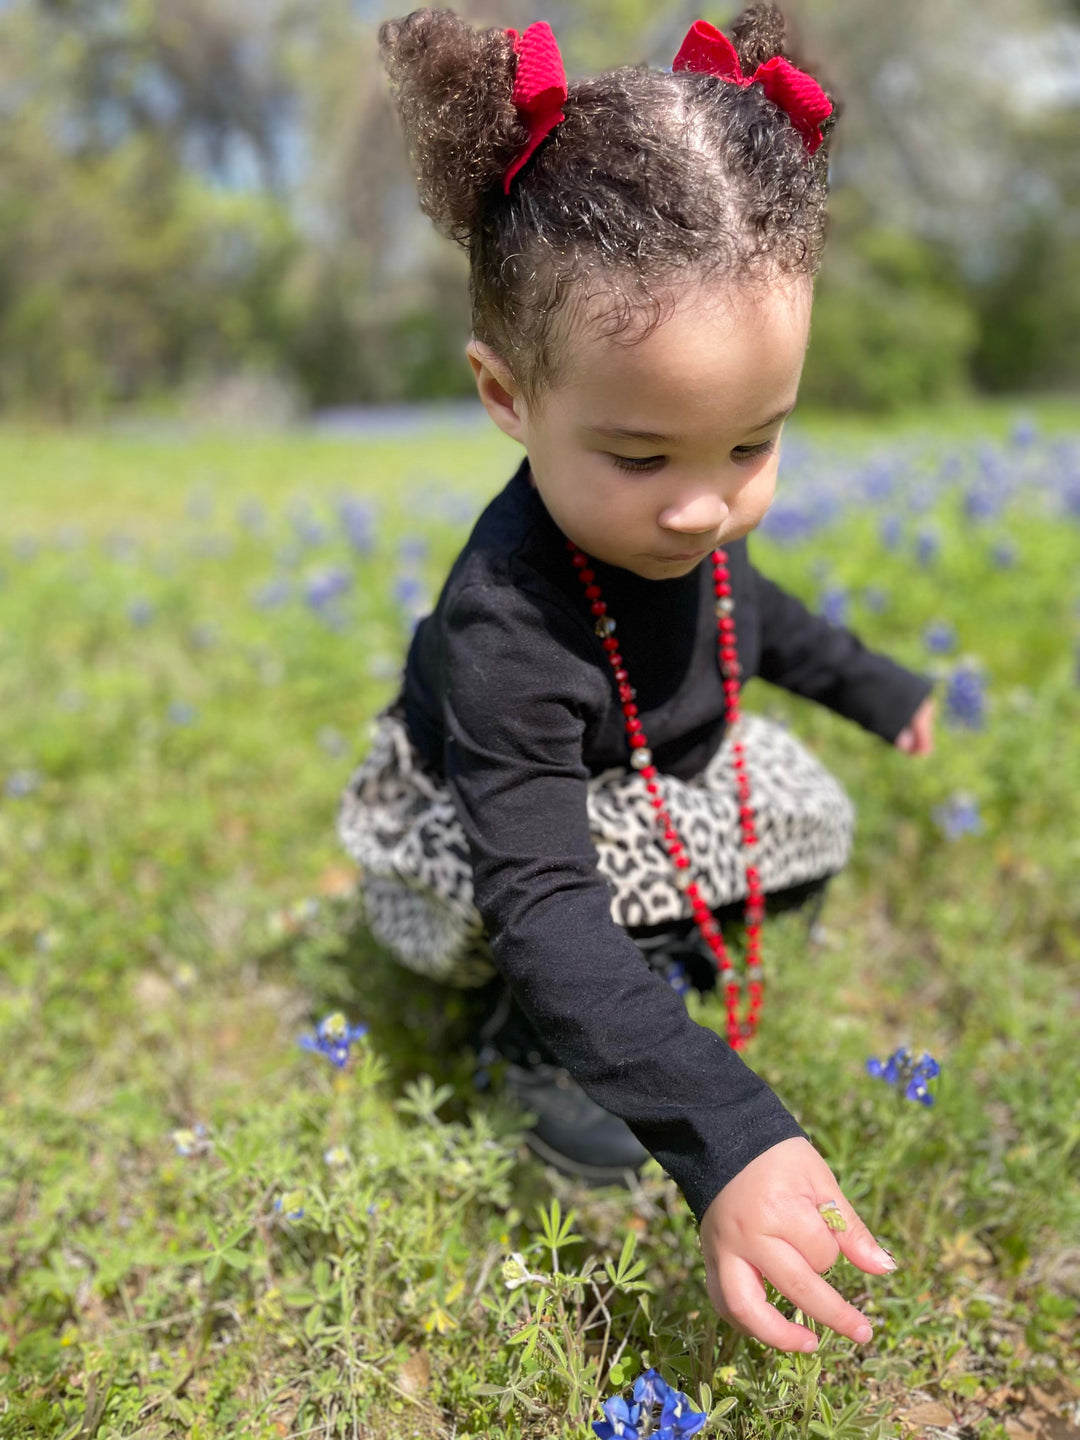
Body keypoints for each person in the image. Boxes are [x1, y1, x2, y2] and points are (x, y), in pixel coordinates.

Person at [338, 4, 938, 1355]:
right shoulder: (507, 619)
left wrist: (883, 688)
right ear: (507, 395)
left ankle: (647, 979)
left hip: (643, 797)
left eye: (752, 445)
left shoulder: (696, 529)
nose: (702, 510)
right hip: (499, 847)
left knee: (801, 803)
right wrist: (724, 1132)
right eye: (640, 454)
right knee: (570, 924)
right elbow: (542, 893)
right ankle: (532, 1035)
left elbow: (764, 619)